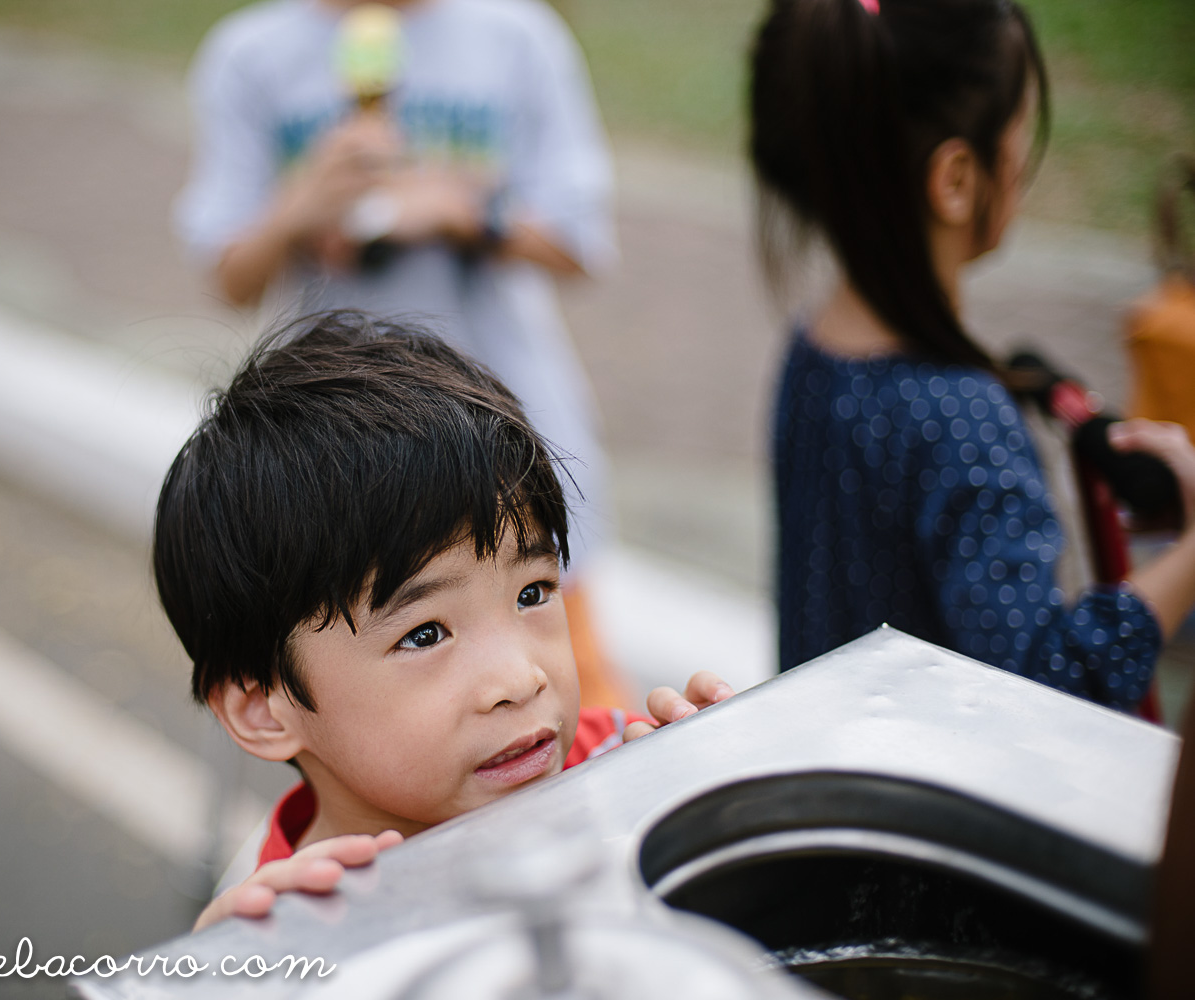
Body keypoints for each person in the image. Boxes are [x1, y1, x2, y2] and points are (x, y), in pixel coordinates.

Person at [152, 312, 731, 929]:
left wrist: (715, 814)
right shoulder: (295, 935)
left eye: (532, 592)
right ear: (264, 709)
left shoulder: (615, 763)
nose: (520, 679)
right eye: (425, 634)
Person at [173, 0, 626, 706]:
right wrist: (303, 205)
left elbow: (580, 246)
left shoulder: (515, 34)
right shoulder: (249, 53)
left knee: (572, 702)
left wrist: (462, 211)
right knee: (391, 712)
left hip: (511, 430)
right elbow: (231, 276)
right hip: (341, 451)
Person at [751, 0, 1195, 709]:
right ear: (956, 179)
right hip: (941, 812)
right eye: (1018, 131)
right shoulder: (960, 416)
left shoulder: (811, 351)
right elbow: (1047, 688)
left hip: (836, 778)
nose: (1023, 159)